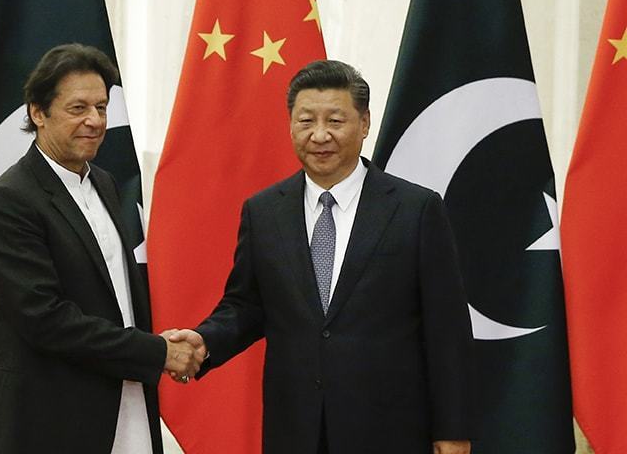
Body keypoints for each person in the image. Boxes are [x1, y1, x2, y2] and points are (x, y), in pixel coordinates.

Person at [169, 60, 474, 453]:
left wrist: (452, 430)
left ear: (364, 124)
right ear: (290, 124)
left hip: (389, 430)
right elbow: (246, 305)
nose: (319, 135)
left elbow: (446, 330)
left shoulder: (415, 210)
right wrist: (203, 342)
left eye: (335, 120)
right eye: (306, 121)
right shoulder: (263, 212)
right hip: (296, 428)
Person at [0, 43, 203, 454]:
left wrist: (156, 344)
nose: (95, 121)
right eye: (78, 108)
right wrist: (156, 352)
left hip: (126, 404)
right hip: (52, 421)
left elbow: (116, 298)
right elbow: (46, 320)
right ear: (37, 113)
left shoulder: (104, 182)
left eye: (101, 107)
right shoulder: (8, 202)